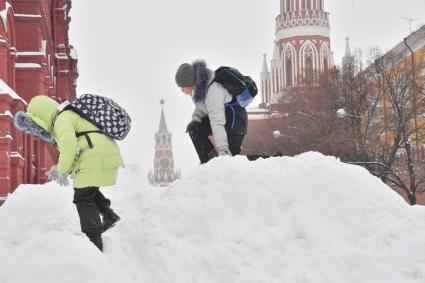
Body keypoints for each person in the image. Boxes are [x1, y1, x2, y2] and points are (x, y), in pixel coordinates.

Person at [13, 95, 123, 252]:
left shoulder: (62, 120)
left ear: (42, 115)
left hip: (96, 155)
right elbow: (74, 150)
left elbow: (69, 147)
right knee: (88, 190)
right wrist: (61, 167)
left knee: (83, 197)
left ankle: (94, 241)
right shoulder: (66, 117)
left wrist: (61, 170)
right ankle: (108, 214)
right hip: (102, 153)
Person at [175, 60, 248, 164]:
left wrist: (223, 149)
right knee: (194, 128)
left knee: (231, 162)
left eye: (183, 87)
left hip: (235, 123)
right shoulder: (200, 89)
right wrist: (196, 119)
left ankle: (268, 161)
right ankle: (209, 163)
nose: (182, 91)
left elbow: (217, 120)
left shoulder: (212, 91)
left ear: (190, 82)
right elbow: (201, 108)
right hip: (225, 120)